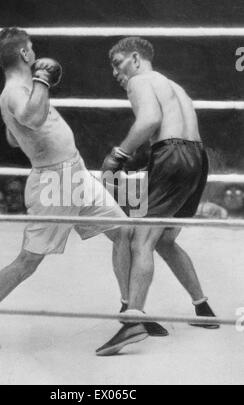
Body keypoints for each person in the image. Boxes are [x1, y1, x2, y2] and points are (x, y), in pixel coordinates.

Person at [0, 27, 144, 351]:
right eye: (30, 48)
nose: (34, 53)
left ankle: (129, 310)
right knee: (28, 261)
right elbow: (32, 119)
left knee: (124, 232)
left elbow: (16, 134)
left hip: (75, 173)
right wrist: (44, 79)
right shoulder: (16, 90)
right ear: (24, 54)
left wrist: (35, 106)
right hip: (54, 183)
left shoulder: (23, 89)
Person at [97, 37, 219, 356]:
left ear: (135, 59)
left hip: (173, 155)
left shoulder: (140, 80)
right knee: (164, 240)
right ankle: (203, 308)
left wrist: (119, 154)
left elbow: (149, 120)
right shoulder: (172, 85)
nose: (115, 72)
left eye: (118, 63)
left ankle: (133, 319)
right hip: (197, 158)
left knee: (141, 240)